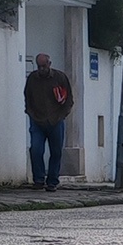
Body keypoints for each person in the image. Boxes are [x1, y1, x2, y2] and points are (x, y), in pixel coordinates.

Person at [24, 53, 74, 191]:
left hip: (55, 121)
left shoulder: (60, 78)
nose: (41, 69)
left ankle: (52, 181)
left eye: (44, 66)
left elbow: (68, 99)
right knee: (36, 149)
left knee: (56, 151)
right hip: (37, 121)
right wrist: (31, 114)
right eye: (39, 66)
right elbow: (27, 97)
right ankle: (39, 179)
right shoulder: (32, 79)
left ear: (49, 64)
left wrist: (61, 116)